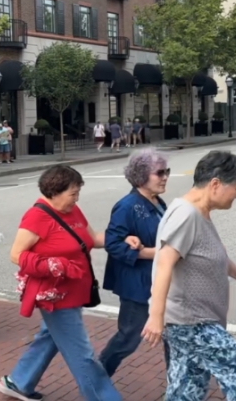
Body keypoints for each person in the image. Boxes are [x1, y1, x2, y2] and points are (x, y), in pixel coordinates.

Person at [0, 165, 138, 401]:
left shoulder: (72, 210)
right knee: (82, 355)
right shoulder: (36, 216)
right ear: (54, 192)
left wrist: (121, 239)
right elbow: (16, 255)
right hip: (56, 297)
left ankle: (19, 381)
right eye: (73, 193)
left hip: (75, 291)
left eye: (78, 192)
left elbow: (91, 239)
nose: (77, 198)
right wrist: (54, 264)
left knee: (51, 337)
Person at [143, 151, 236, 400]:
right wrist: (156, 316)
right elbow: (164, 263)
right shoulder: (186, 214)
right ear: (215, 184)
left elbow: (214, 257)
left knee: (187, 389)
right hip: (192, 323)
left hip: (190, 322)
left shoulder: (198, 214)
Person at [98, 148, 169, 376]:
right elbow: (113, 243)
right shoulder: (127, 206)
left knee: (172, 335)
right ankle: (97, 376)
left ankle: (178, 385)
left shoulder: (157, 202)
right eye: (160, 173)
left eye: (167, 171)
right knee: (128, 337)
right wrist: (151, 253)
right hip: (137, 284)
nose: (165, 177)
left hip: (159, 279)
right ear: (141, 176)